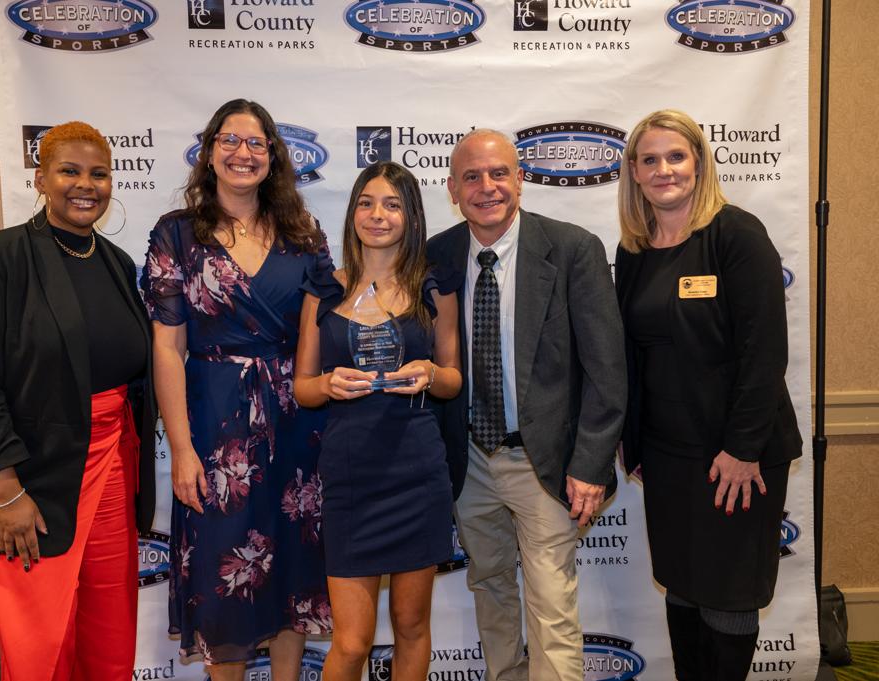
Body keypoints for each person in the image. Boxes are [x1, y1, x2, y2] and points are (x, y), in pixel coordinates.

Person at [0, 121, 156, 680]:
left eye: (99, 174)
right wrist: (6, 491)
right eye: (69, 171)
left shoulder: (117, 263)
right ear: (41, 179)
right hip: (32, 480)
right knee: (40, 645)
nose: (85, 185)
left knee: (108, 633)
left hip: (112, 467)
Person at [141, 99, 332, 681]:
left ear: (273, 155)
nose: (242, 153)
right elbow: (167, 349)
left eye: (255, 143)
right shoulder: (177, 234)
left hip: (297, 425)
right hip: (215, 429)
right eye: (229, 140)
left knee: (294, 572)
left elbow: (325, 330)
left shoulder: (304, 235)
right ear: (209, 152)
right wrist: (181, 450)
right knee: (223, 581)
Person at [425, 129, 626, 681]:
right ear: (452, 189)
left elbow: (607, 371)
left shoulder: (572, 248)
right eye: (471, 177)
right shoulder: (436, 255)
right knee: (489, 587)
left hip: (546, 460)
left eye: (498, 174)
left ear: (520, 180)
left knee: (551, 603)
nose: (486, 187)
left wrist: (590, 465)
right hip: (469, 459)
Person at [614, 109, 802, 680]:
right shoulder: (634, 250)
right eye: (650, 160)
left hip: (734, 454)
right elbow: (633, 356)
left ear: (698, 162)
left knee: (727, 590)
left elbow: (764, 352)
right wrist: (635, 444)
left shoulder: (736, 235)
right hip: (668, 454)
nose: (664, 170)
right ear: (634, 173)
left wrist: (743, 449)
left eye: (676, 156)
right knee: (683, 582)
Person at [294, 162, 461, 681]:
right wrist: (328, 384)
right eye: (366, 203)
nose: (377, 215)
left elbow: (453, 379)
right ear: (352, 213)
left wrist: (430, 373)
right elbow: (302, 386)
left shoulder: (435, 287)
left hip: (417, 473)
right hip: (350, 475)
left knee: (411, 626)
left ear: (411, 216)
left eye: (392, 204)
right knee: (351, 643)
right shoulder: (324, 289)